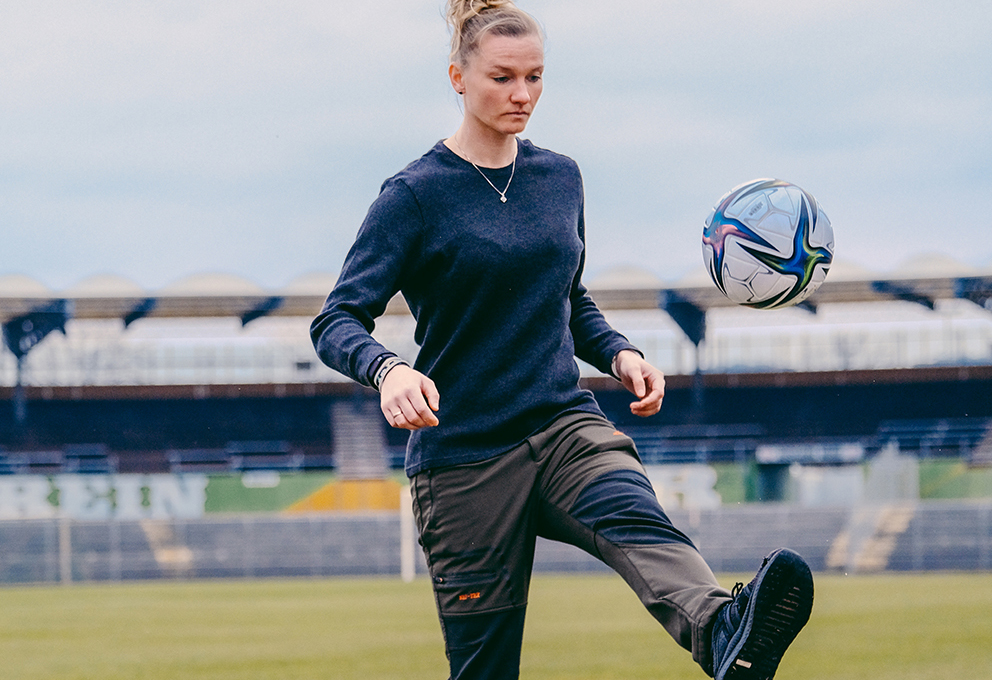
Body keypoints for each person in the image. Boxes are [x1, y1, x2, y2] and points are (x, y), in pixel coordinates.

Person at [310, 1, 814, 678]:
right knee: (485, 668)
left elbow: (568, 297)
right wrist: (388, 370)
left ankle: (722, 628)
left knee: (636, 514)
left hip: (561, 425)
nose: (522, 95)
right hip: (464, 459)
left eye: (536, 77)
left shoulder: (561, 178)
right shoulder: (413, 195)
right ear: (458, 77)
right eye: (503, 78)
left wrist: (619, 352)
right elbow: (336, 318)